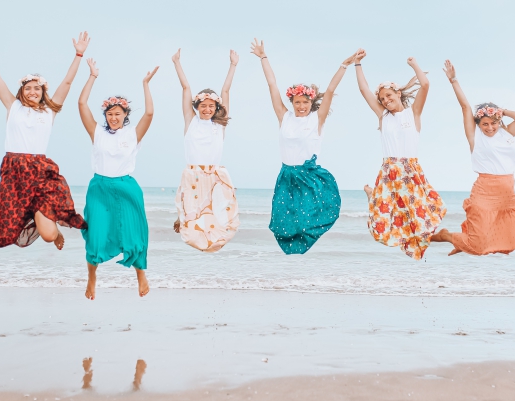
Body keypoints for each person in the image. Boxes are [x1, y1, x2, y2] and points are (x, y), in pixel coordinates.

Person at [0, 33, 90, 268]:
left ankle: (51, 225)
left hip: (40, 173)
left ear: (44, 92)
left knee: (50, 235)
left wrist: (78, 55)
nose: (33, 91)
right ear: (22, 91)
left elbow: (66, 84)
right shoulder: (13, 107)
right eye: (29, 88)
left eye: (38, 88)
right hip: (14, 173)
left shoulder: (49, 112)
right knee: (6, 234)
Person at [250, 38, 354, 254]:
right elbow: (272, 85)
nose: (301, 106)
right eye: (297, 102)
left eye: (305, 102)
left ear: (311, 102)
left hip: (308, 175)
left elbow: (332, 89)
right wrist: (263, 57)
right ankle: (293, 260)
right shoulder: (284, 117)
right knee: (282, 223)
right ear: (292, 103)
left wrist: (344, 65)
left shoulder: (317, 119)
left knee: (309, 218)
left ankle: (309, 247)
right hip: (287, 175)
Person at [78, 58, 158, 299]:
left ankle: (140, 273)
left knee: (134, 234)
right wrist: (92, 76)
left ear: (125, 115)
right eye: (110, 114)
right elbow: (81, 103)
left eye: (118, 114)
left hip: (126, 187)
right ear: (106, 115)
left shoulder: (133, 134)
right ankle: (92, 277)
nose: (114, 117)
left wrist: (145, 84)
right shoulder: (97, 132)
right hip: (100, 187)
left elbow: (150, 112)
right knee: (95, 235)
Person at [354, 50, 446, 260]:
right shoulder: (383, 116)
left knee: (420, 219)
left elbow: (425, 85)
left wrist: (414, 64)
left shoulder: (413, 113)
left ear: (398, 94)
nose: (386, 100)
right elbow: (363, 89)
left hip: (410, 170)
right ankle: (375, 197)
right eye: (382, 98)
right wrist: (357, 64)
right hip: (389, 170)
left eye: (389, 96)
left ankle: (374, 195)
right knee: (381, 223)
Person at [430, 60, 515, 256]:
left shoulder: (507, 134)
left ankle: (462, 241)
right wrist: (453, 80)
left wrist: (501, 111)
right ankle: (448, 236)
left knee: (510, 242)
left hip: (507, 192)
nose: (489, 127)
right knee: (479, 245)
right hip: (485, 189)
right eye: (485, 124)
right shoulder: (475, 137)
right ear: (479, 124)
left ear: (499, 121)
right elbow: (466, 107)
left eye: (493, 123)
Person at [170, 48, 240, 252]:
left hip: (215, 174)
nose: (207, 109)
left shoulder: (219, 126)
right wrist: (176, 63)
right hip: (192, 174)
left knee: (221, 215)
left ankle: (211, 241)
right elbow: (185, 88)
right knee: (191, 218)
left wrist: (233, 65)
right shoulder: (190, 121)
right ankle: (181, 218)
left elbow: (225, 91)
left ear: (216, 108)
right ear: (197, 106)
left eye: (211, 106)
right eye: (203, 105)